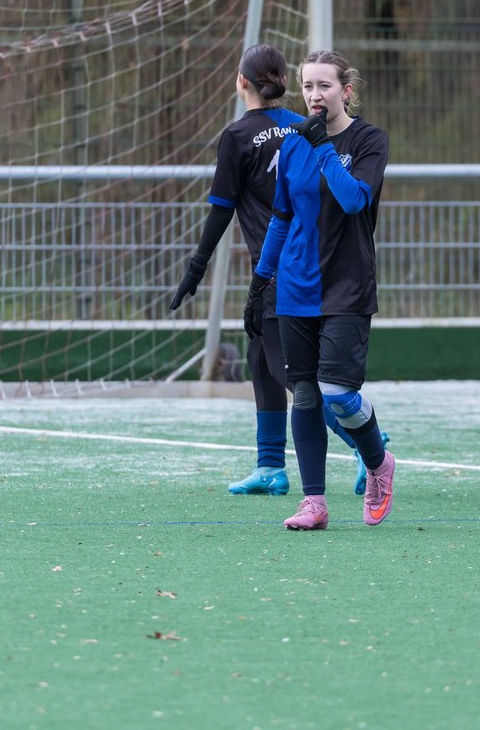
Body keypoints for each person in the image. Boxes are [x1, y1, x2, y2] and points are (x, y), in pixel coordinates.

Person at [168, 43, 370, 497]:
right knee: (260, 358)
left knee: (292, 375)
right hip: (295, 262)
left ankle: (363, 444)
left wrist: (196, 268)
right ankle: (270, 465)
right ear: (286, 82)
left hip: (282, 265)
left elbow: (221, 211)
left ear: (241, 81)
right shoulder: (301, 127)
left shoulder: (239, 135)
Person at [245, 49, 395, 530]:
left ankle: (378, 463)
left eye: (324, 86)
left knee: (338, 393)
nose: (314, 95)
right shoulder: (292, 145)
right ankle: (314, 502)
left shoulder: (369, 140)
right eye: (307, 86)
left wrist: (323, 147)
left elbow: (353, 200)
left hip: (347, 286)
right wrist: (260, 280)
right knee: (306, 395)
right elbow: (281, 217)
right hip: (295, 287)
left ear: (345, 91)